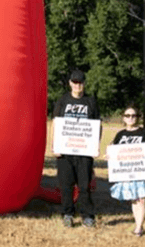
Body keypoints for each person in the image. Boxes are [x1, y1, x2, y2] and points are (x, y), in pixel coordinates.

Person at [51, 69, 101, 228]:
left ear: (84, 83)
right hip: (65, 151)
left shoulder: (91, 102)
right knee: (66, 185)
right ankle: (68, 213)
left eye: (80, 82)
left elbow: (97, 126)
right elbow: (55, 123)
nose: (78, 85)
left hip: (84, 151)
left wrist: (95, 145)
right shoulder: (62, 101)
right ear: (70, 83)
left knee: (85, 185)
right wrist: (55, 145)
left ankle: (87, 215)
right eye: (75, 82)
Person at [106, 106, 145, 237]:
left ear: (137, 117)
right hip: (126, 172)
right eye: (128, 115)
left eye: (133, 116)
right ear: (123, 118)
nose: (130, 118)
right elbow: (114, 151)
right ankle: (137, 223)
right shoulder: (120, 135)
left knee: (141, 199)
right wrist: (109, 156)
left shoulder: (144, 133)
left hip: (142, 171)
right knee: (134, 200)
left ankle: (139, 227)